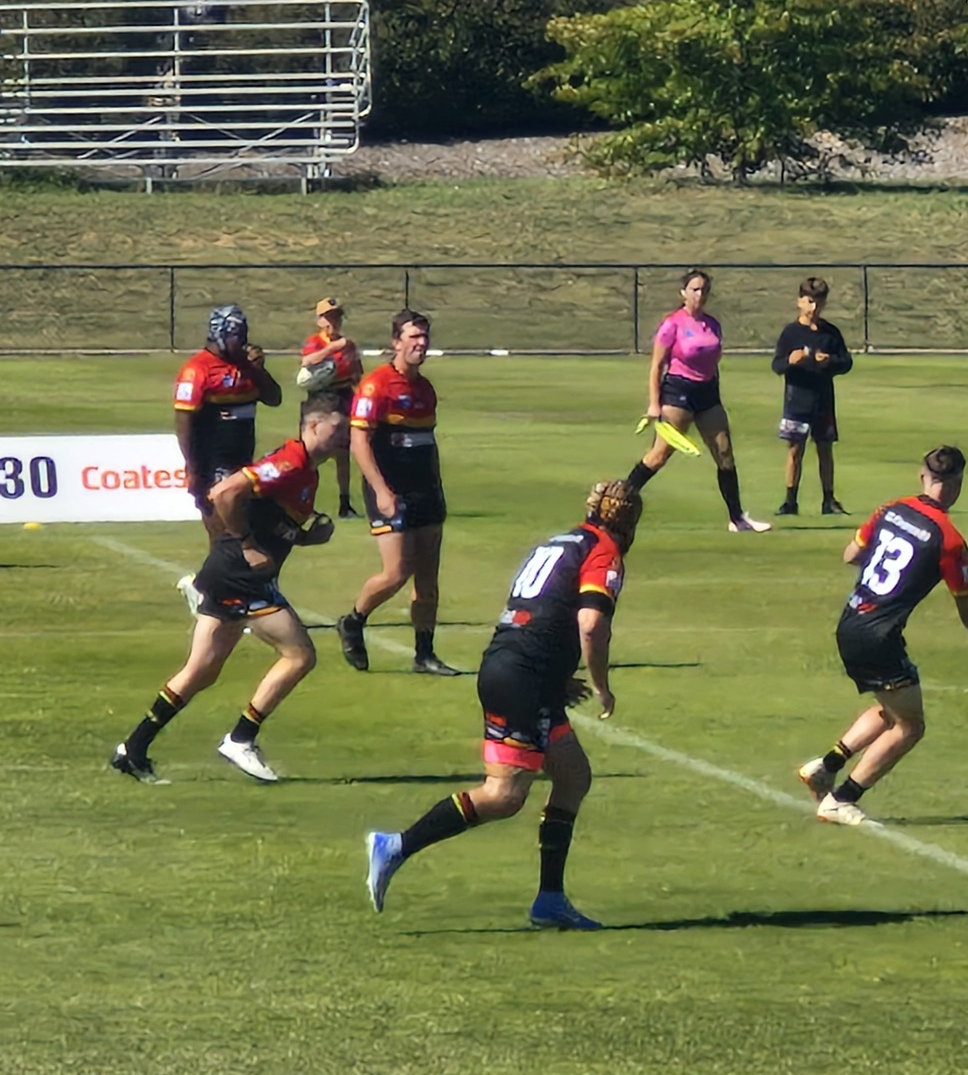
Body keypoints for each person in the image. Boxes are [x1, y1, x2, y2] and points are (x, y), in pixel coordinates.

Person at [365, 479, 642, 930]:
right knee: (504, 795)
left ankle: (550, 901)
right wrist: (601, 685)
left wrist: (554, 680)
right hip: (522, 680)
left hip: (513, 668)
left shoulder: (560, 541)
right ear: (628, 521)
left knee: (573, 776)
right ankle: (395, 845)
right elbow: (590, 625)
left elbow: (535, 612)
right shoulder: (604, 551)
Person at [111, 395, 344, 785]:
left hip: (227, 571)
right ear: (314, 425)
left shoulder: (307, 471)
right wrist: (248, 544)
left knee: (201, 671)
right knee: (299, 655)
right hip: (240, 576)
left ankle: (133, 749)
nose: (345, 439)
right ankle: (242, 738)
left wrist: (304, 538)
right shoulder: (290, 462)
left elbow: (270, 520)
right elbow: (224, 493)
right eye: (338, 430)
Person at [799, 446, 968, 824]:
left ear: (922, 475)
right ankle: (842, 799)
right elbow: (965, 602)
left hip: (850, 622)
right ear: (958, 484)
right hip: (879, 636)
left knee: (892, 708)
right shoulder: (949, 540)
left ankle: (825, 766)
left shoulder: (889, 509)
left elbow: (851, 554)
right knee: (911, 726)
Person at [336, 308, 458, 677]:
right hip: (389, 490)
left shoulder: (425, 389)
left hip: (425, 491)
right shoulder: (377, 386)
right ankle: (354, 620)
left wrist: (437, 487)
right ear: (396, 342)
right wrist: (381, 492)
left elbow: (428, 442)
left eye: (424, 337)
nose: (421, 344)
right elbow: (359, 443)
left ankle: (425, 654)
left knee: (428, 582)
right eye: (413, 337)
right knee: (396, 572)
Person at [625, 268, 770, 533]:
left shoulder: (713, 324)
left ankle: (737, 518)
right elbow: (656, 366)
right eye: (694, 289)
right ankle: (618, 501)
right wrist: (654, 403)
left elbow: (712, 361)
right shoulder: (672, 324)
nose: (700, 294)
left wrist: (713, 388)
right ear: (683, 293)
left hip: (708, 393)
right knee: (658, 456)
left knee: (725, 454)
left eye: (704, 290)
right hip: (678, 392)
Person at [174, 303, 283, 549]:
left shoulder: (246, 366)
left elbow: (274, 399)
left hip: (243, 462)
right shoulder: (197, 370)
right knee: (224, 534)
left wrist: (259, 371)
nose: (244, 344)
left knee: (248, 529)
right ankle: (212, 585)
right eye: (238, 337)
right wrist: (193, 468)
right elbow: (183, 424)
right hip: (212, 464)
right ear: (220, 335)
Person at [772, 275, 854, 516]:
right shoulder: (791, 333)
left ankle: (828, 499)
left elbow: (846, 362)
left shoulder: (830, 333)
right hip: (797, 400)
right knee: (795, 450)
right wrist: (790, 360)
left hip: (823, 400)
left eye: (819, 302)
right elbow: (776, 365)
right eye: (810, 301)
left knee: (825, 450)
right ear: (800, 301)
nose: (814, 307)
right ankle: (790, 500)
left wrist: (830, 361)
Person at [297, 296, 364, 518]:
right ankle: (303, 501)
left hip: (343, 397)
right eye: (328, 317)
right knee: (311, 453)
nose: (333, 322)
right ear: (319, 320)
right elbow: (307, 362)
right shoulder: (315, 341)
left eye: (336, 317)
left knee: (343, 454)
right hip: (319, 399)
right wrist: (334, 348)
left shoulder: (349, 345)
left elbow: (357, 373)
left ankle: (344, 503)